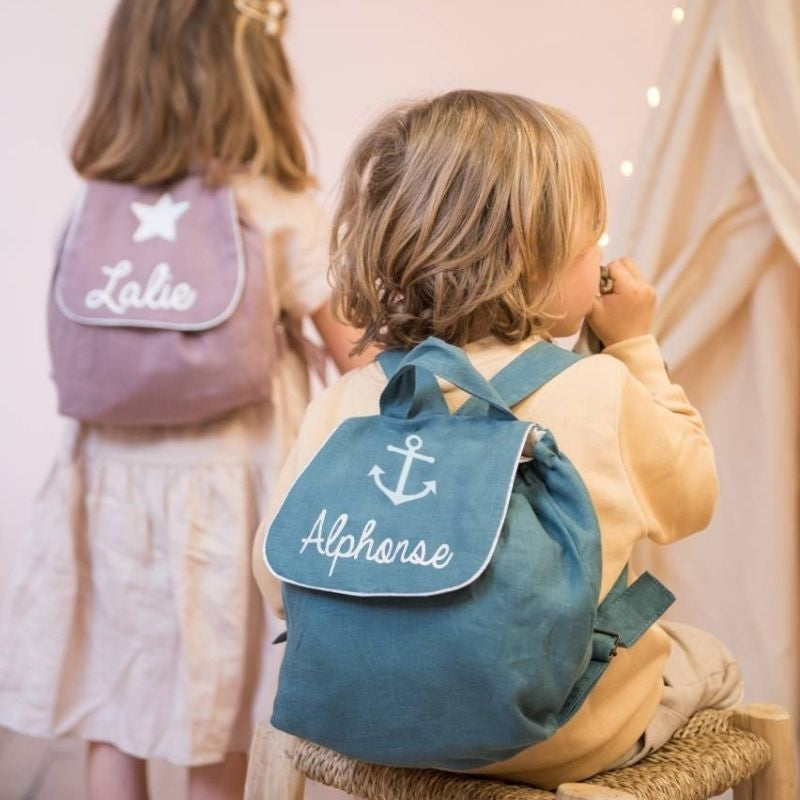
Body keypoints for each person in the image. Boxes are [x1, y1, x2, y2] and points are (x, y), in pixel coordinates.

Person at [252, 90, 743, 787]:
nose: (602, 255)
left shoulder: (346, 402)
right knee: (710, 661)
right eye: (592, 241)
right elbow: (694, 497)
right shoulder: (600, 389)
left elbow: (274, 580)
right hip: (553, 739)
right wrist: (635, 345)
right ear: (526, 252)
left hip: (365, 723)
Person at [0, 1, 370, 799]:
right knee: (220, 726)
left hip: (108, 498)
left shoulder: (96, 200)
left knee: (115, 714)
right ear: (256, 74)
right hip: (229, 506)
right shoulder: (270, 202)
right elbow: (360, 355)